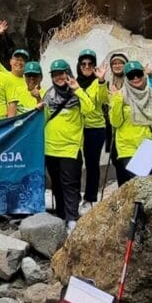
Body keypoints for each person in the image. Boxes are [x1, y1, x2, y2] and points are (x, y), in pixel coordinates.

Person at [42, 59, 95, 231]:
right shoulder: (48, 96)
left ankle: (72, 219)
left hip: (70, 148)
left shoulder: (77, 95)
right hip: (50, 147)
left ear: (68, 73)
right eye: (55, 74)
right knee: (56, 184)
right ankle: (61, 215)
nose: (59, 77)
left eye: (62, 73)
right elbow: (43, 119)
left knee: (70, 185)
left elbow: (89, 109)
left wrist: (77, 89)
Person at [108, 61, 152, 185]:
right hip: (127, 147)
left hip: (148, 145)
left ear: (143, 75)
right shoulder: (120, 96)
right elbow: (115, 122)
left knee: (146, 184)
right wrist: (117, 100)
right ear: (126, 78)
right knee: (139, 182)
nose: (135, 78)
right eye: (131, 76)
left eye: (138, 74)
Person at [76, 49, 108, 214]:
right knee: (75, 163)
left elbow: (103, 100)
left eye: (90, 64)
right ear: (79, 66)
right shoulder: (74, 82)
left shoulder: (99, 83)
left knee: (92, 164)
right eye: (84, 64)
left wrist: (102, 81)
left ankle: (89, 198)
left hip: (95, 128)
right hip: (76, 129)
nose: (87, 66)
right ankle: (74, 197)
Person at [0, 20, 29, 96]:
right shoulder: (4, 74)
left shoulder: (29, 82)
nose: (19, 62)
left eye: (23, 60)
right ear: (10, 61)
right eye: (16, 59)